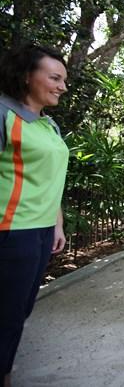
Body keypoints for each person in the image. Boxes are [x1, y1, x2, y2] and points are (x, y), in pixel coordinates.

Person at [0, 44, 69, 387]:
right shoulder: (3, 113)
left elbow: (51, 179)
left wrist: (56, 223)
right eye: (54, 77)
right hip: (12, 231)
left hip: (40, 233)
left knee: (20, 310)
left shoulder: (48, 125)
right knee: (8, 314)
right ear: (27, 76)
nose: (61, 86)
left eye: (64, 80)